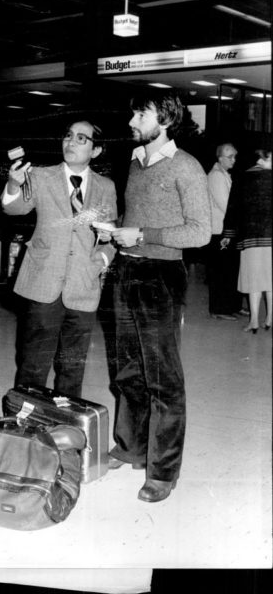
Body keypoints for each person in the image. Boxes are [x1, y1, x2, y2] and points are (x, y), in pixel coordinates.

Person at [101, 91, 211, 503]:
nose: (132, 120)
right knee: (127, 370)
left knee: (163, 377)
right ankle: (131, 447)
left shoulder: (187, 167)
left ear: (163, 120)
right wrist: (114, 231)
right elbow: (135, 220)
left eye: (140, 113)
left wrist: (145, 236)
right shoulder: (135, 163)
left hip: (160, 274)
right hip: (126, 270)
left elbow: (201, 232)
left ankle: (163, 471)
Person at [2, 120, 118, 398]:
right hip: (43, 283)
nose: (71, 142)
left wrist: (100, 261)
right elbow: (14, 209)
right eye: (68, 136)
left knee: (72, 369)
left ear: (97, 150)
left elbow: (110, 234)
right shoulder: (42, 177)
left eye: (81, 138)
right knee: (33, 366)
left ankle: (66, 426)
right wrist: (12, 183)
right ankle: (26, 425)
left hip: (83, 286)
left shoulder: (106, 187)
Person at [222, 149, 272, 334]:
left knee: (253, 280)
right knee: (270, 279)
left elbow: (232, 209)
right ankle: (270, 319)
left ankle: (254, 321)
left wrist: (228, 234)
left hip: (249, 238)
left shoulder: (242, 177)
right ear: (262, 158)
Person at [206, 143, 243, 320]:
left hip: (228, 230)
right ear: (220, 158)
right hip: (220, 232)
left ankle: (233, 306)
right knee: (221, 271)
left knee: (231, 270)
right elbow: (226, 205)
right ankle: (219, 309)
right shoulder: (215, 176)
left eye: (235, 156)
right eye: (231, 157)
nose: (234, 160)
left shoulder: (224, 175)